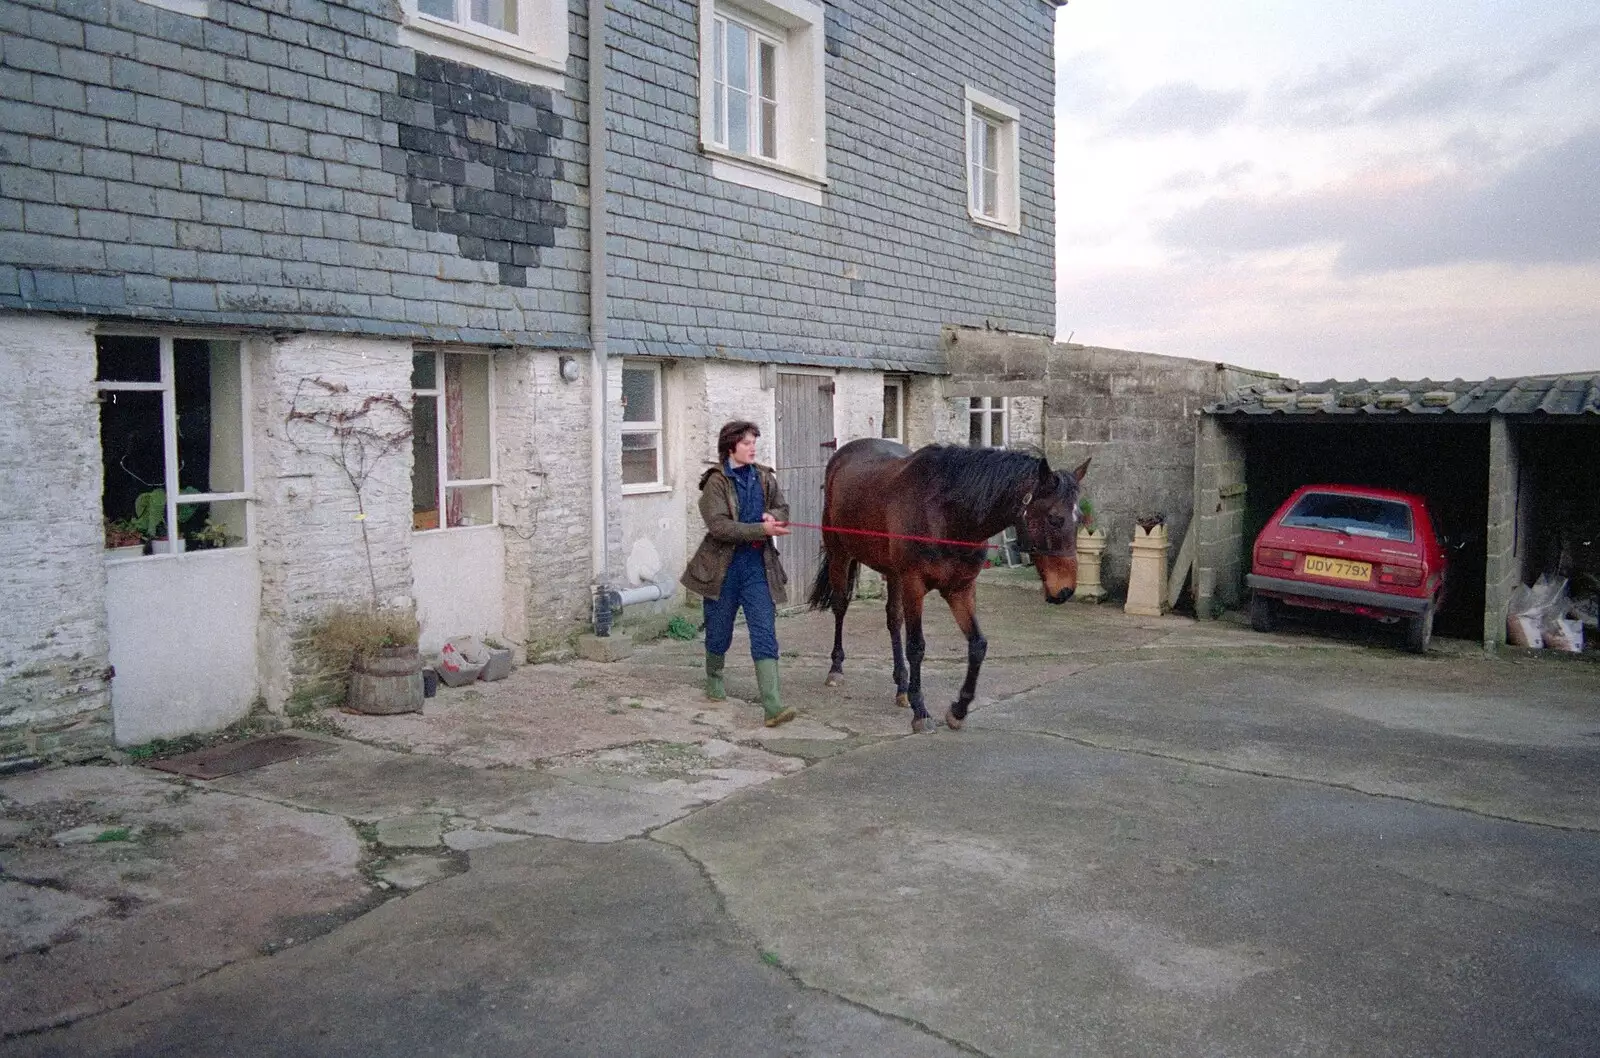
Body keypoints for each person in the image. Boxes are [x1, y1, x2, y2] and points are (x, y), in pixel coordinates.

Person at [680, 420, 795, 727]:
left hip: (758, 566)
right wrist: (761, 528)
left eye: (754, 442)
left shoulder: (764, 477)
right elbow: (719, 527)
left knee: (764, 631)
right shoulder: (716, 482)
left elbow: (782, 507)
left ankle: (773, 706)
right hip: (722, 569)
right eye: (746, 443)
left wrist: (775, 515)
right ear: (730, 446)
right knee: (719, 632)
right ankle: (714, 675)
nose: (752, 447)